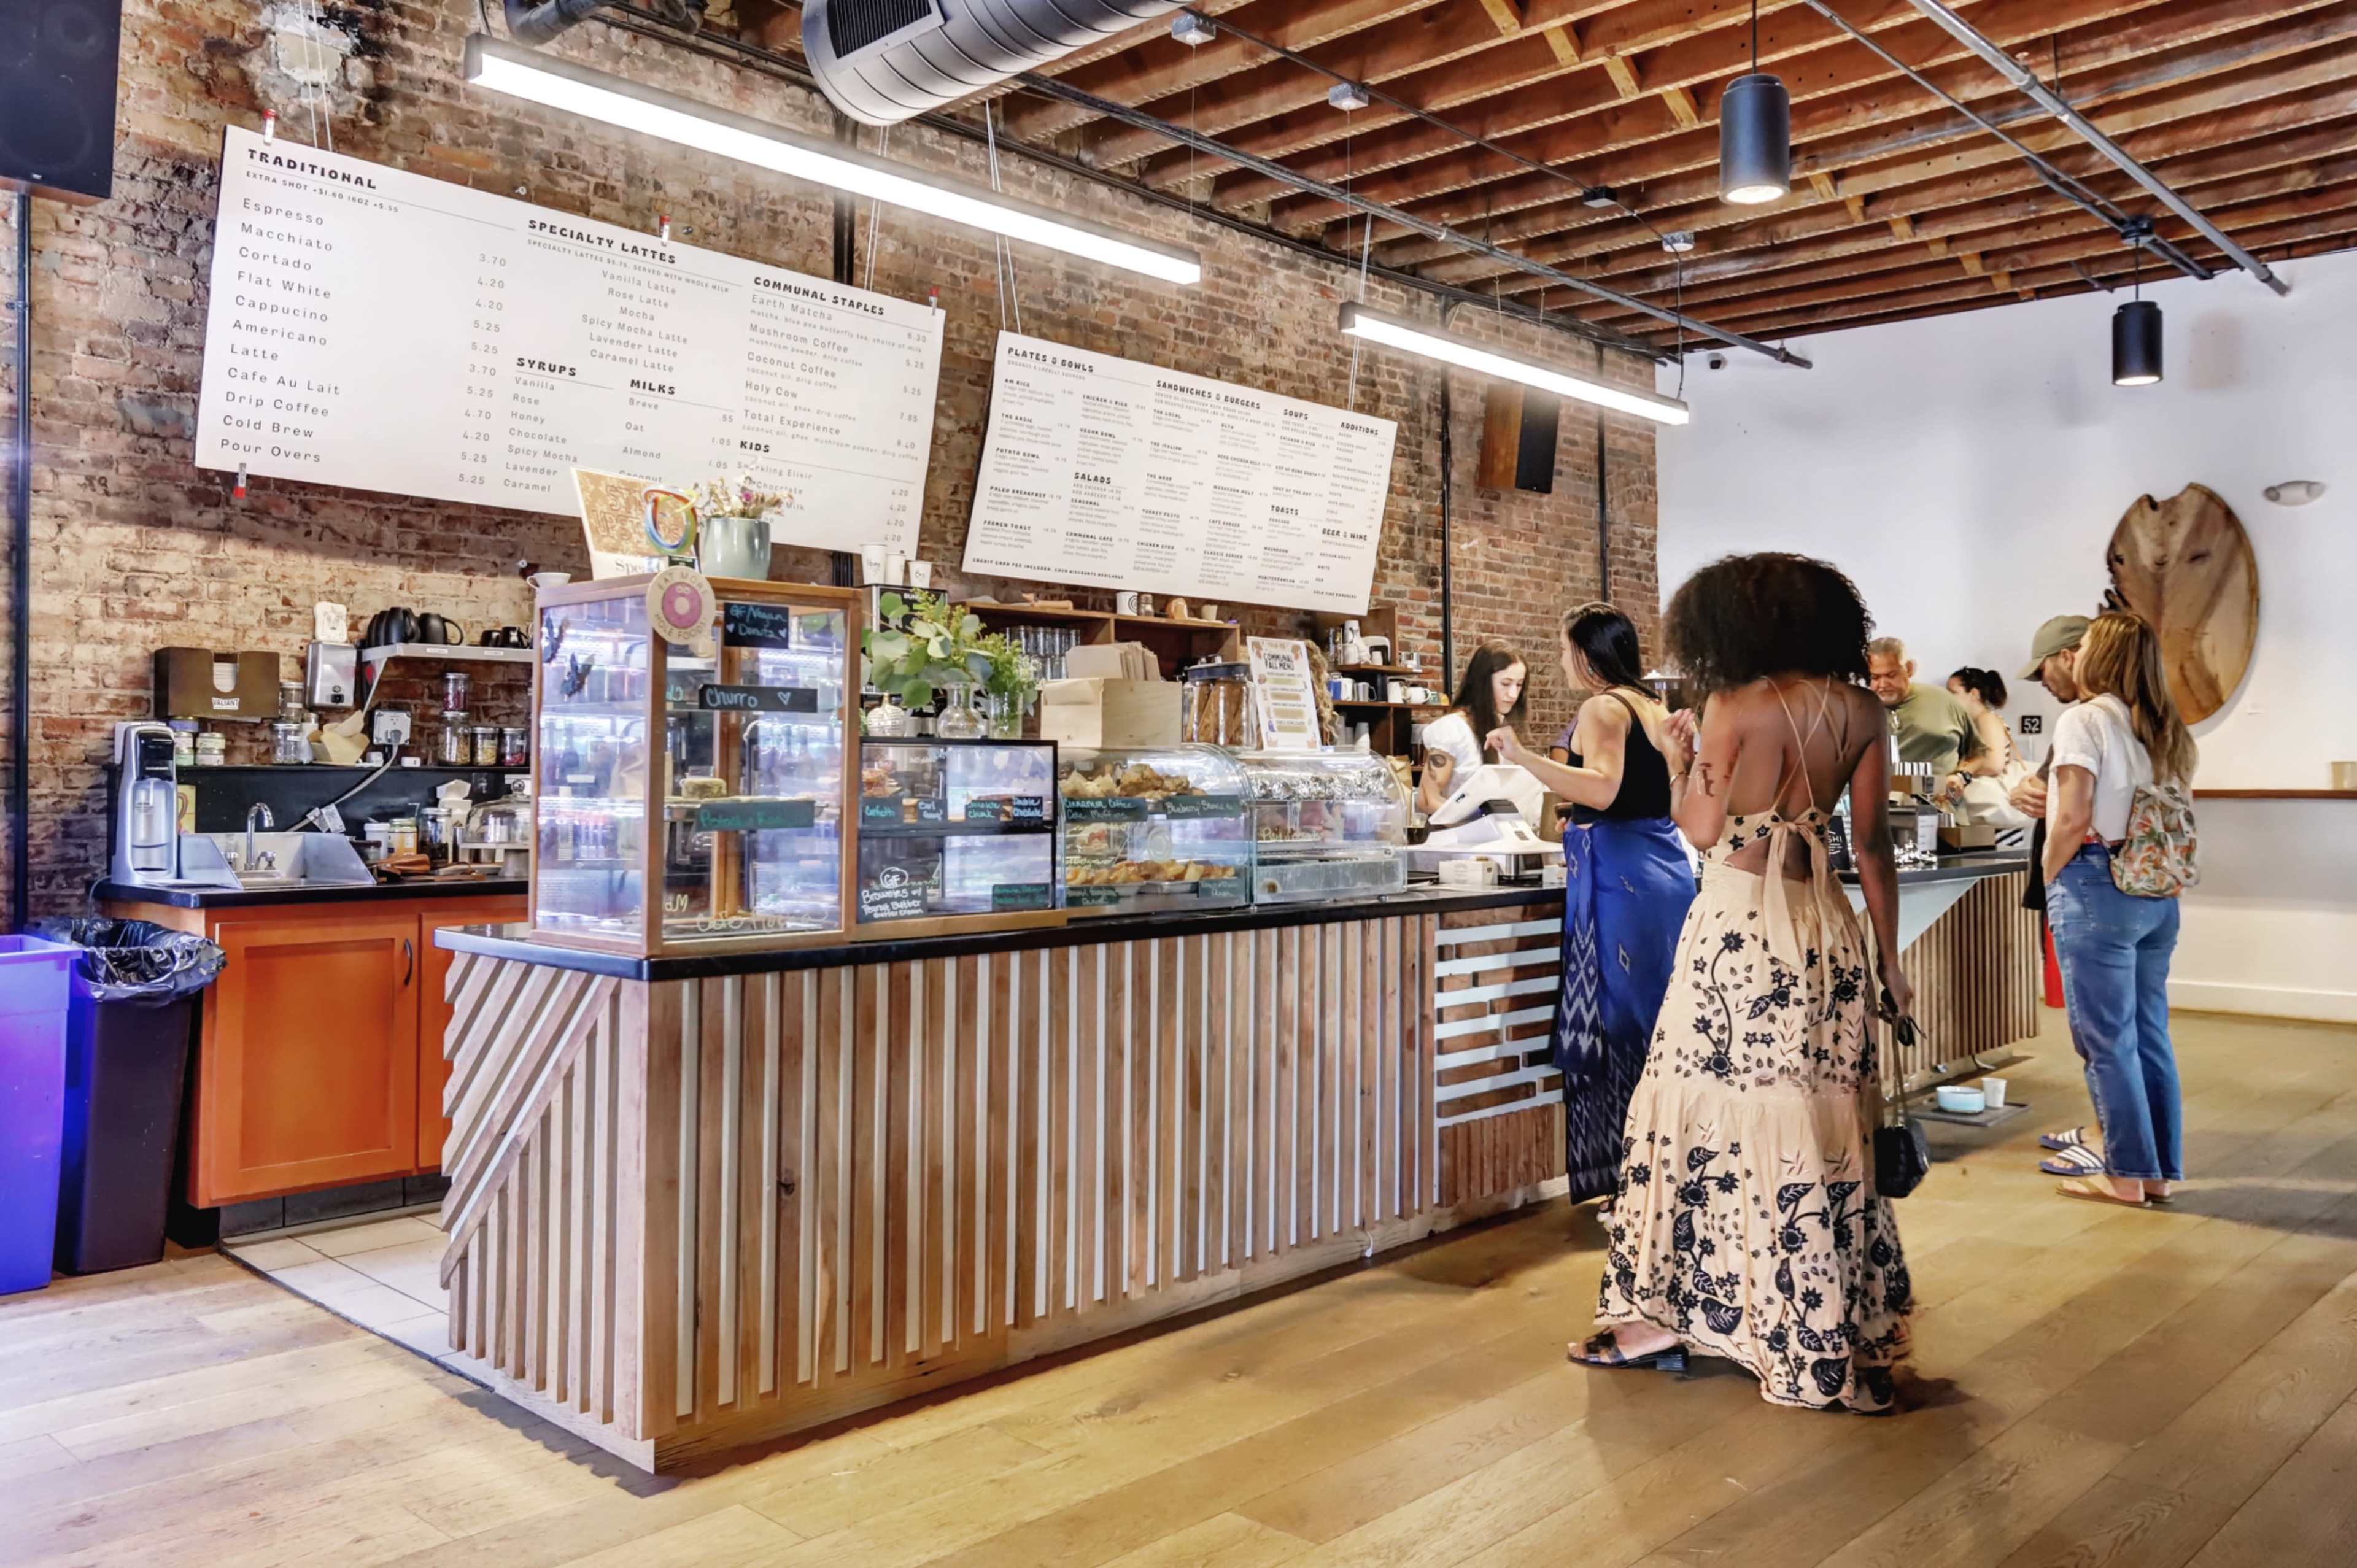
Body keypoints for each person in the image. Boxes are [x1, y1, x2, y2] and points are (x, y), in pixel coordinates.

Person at [1573, 554, 1913, 1414]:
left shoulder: (1730, 705)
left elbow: (1698, 827)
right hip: (1824, 930)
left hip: (1734, 934)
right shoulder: (1863, 709)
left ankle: (1673, 1314)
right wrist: (1891, 958)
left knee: (1701, 1107)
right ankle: (1825, 1323)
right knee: (1816, 1110)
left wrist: (1675, 754)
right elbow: (1871, 846)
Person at [1484, 605, 1695, 1202]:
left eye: (1562, 647)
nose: (1558, 660)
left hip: (1620, 877)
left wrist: (1522, 757)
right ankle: (1668, 1178)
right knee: (1663, 1024)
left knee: (1623, 1024)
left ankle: (1636, 1188)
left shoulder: (1603, 706)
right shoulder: (1652, 705)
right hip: (1665, 870)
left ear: (1588, 651)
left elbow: (1601, 786)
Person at [2040, 611, 2197, 1208]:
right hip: (2158, 894)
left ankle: (2125, 1176)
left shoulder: (2083, 719)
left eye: (2081, 646)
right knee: (2149, 1034)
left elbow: (2076, 814)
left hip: (2096, 884)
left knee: (2106, 1041)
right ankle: (2157, 1173)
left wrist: (2049, 869)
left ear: (2098, 657)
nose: (2073, 654)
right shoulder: (2161, 727)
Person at [1866, 636, 1986, 800]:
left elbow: (1979, 753)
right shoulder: (1859, 709)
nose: (1883, 684)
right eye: (1875, 678)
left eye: (1891, 675)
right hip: (1879, 807)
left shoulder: (1943, 701)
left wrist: (1961, 777)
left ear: (1909, 669)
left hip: (1942, 806)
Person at [1418, 641, 1527, 815]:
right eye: (1506, 684)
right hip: (1454, 837)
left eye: (1519, 685)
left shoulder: (1502, 729)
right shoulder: (1451, 729)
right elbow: (1427, 800)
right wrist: (1473, 824)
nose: (1513, 694)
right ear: (1483, 683)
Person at [1946, 667, 2029, 825]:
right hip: (1993, 814)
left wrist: (1962, 772)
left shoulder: (1987, 719)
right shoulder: (1977, 722)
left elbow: (1994, 764)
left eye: (1953, 693)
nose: (1948, 699)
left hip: (1994, 809)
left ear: (1974, 694)